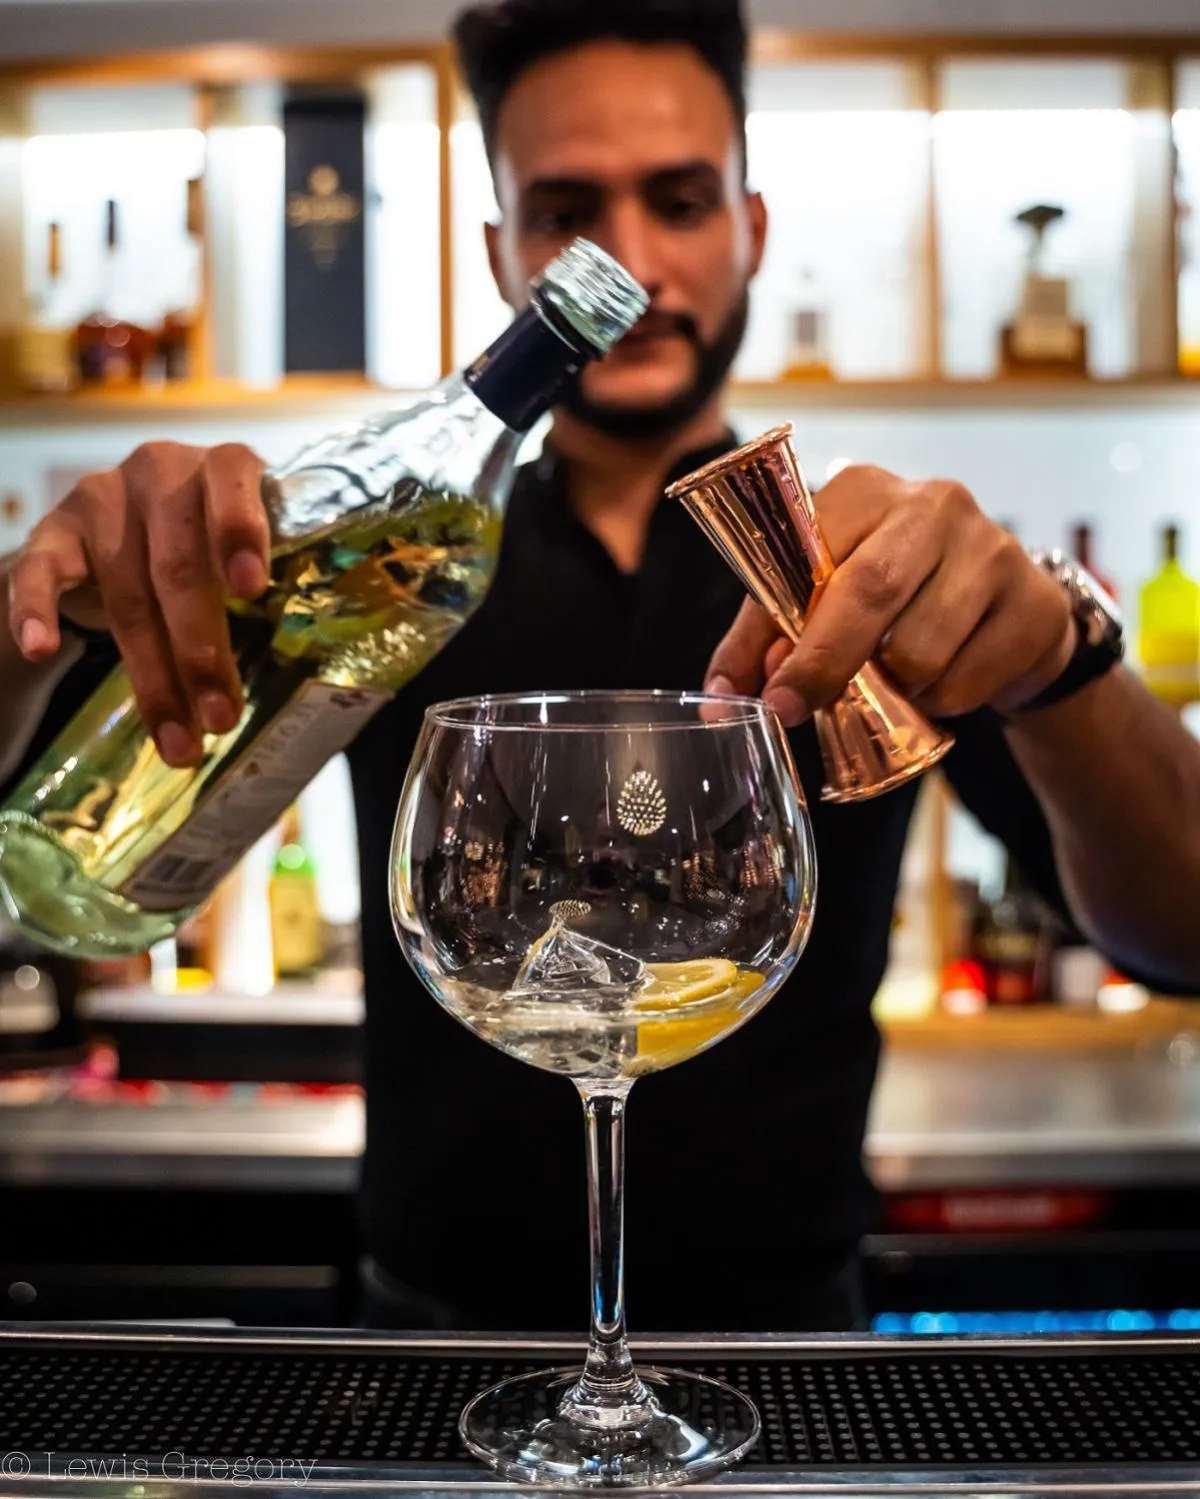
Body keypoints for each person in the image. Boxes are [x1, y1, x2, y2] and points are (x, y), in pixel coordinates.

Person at [4, 0, 1200, 1333]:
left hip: (789, 1360)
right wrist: (42, 627)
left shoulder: (865, 574)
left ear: (750, 229)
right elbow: (47, 878)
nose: (630, 262)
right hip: (429, 1351)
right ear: (504, 253)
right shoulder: (388, 564)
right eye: (571, 211)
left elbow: (1185, 935)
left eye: (679, 201)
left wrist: (1061, 653)